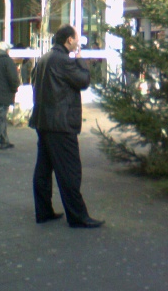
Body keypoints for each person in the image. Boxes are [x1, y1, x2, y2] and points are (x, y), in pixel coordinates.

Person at [29, 24, 104, 228]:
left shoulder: (45, 58)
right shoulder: (63, 60)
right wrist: (81, 60)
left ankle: (43, 211)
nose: (78, 42)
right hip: (60, 123)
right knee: (70, 170)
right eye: (76, 39)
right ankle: (78, 216)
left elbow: (34, 81)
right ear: (69, 40)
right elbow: (83, 80)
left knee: (43, 169)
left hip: (44, 121)